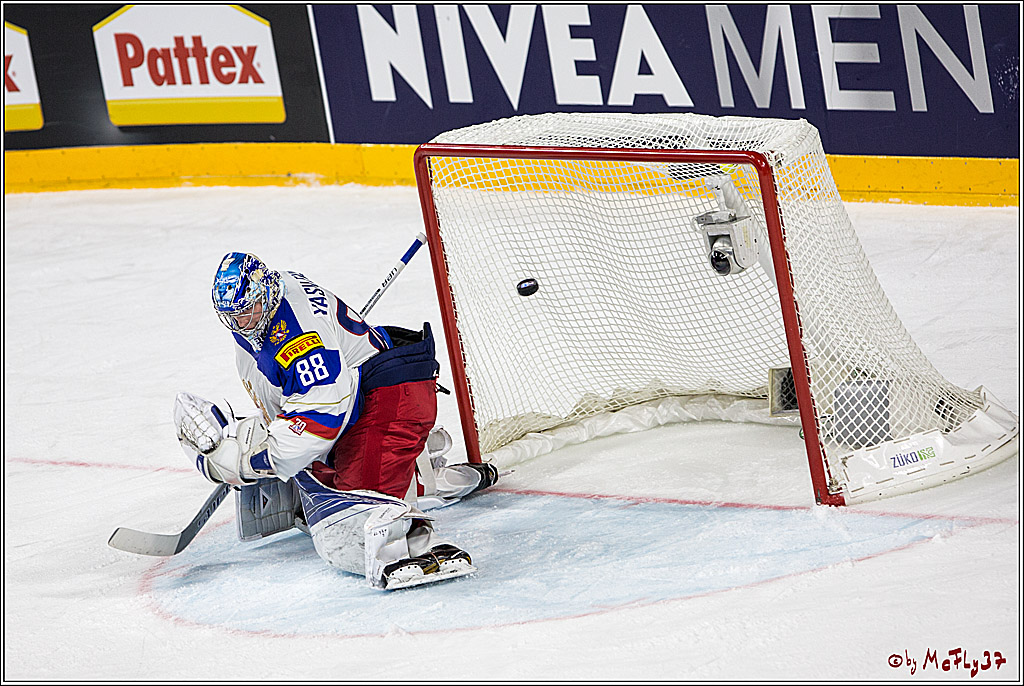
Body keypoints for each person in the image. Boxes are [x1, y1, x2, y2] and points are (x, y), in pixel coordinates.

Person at [172, 252, 497, 590]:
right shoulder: (268, 301)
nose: (242, 323)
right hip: (360, 393)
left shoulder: (301, 339)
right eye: (232, 317)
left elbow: (323, 416)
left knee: (355, 518)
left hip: (392, 395)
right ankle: (417, 471)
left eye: (247, 312)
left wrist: (256, 460)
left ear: (267, 292)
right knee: (314, 464)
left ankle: (409, 484)